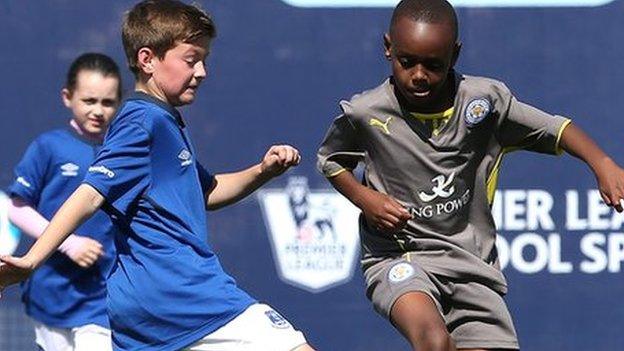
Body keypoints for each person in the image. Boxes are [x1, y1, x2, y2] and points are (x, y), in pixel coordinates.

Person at [0, 1, 314, 351]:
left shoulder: (163, 121)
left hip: (146, 305)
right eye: (192, 59)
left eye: (205, 60)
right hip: (182, 293)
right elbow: (91, 193)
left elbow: (206, 192)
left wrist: (262, 171)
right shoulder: (141, 121)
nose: (202, 72)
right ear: (147, 59)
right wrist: (31, 260)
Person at [316, 0, 624, 350]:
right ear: (389, 48)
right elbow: (330, 160)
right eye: (407, 61)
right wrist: (365, 198)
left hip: (472, 266)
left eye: (433, 65)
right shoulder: (365, 111)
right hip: (400, 258)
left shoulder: (484, 102)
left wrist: (602, 163)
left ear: (454, 54)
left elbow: (555, 128)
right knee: (433, 340)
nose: (418, 75)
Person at [7, 52, 122, 351]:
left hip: (102, 295)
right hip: (50, 293)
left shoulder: (123, 153)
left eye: (107, 103)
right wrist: (69, 243)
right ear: (67, 97)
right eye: (89, 101)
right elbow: (16, 208)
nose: (98, 111)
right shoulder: (49, 147)